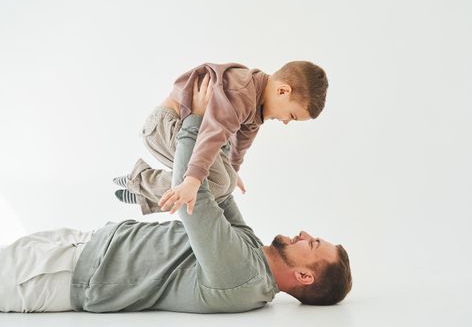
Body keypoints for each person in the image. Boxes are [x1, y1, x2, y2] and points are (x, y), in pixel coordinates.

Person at [0, 83, 352, 313]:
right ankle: (143, 184)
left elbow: (194, 199)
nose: (305, 233)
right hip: (85, 246)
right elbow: (220, 194)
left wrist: (196, 118)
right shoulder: (253, 251)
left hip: (68, 273)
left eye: (314, 243)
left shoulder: (243, 276)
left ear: (304, 277)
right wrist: (227, 130)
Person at [113, 61, 328, 215]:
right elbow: (212, 135)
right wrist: (191, 180)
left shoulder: (258, 104)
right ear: (283, 91)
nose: (286, 122)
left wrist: (232, 170)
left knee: (225, 183)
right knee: (215, 184)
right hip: (163, 127)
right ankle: (139, 181)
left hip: (186, 132)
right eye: (291, 116)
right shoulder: (242, 91)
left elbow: (242, 142)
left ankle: (144, 193)